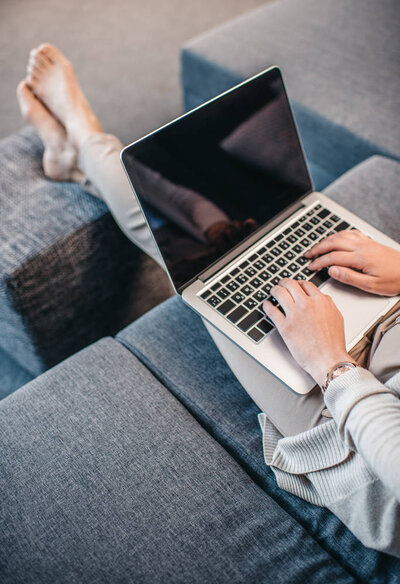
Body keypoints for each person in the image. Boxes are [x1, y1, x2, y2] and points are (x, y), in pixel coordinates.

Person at [16, 43, 400, 554]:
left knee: (210, 262)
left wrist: (330, 363)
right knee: (240, 240)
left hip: (366, 445)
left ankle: (84, 140)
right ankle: (81, 159)